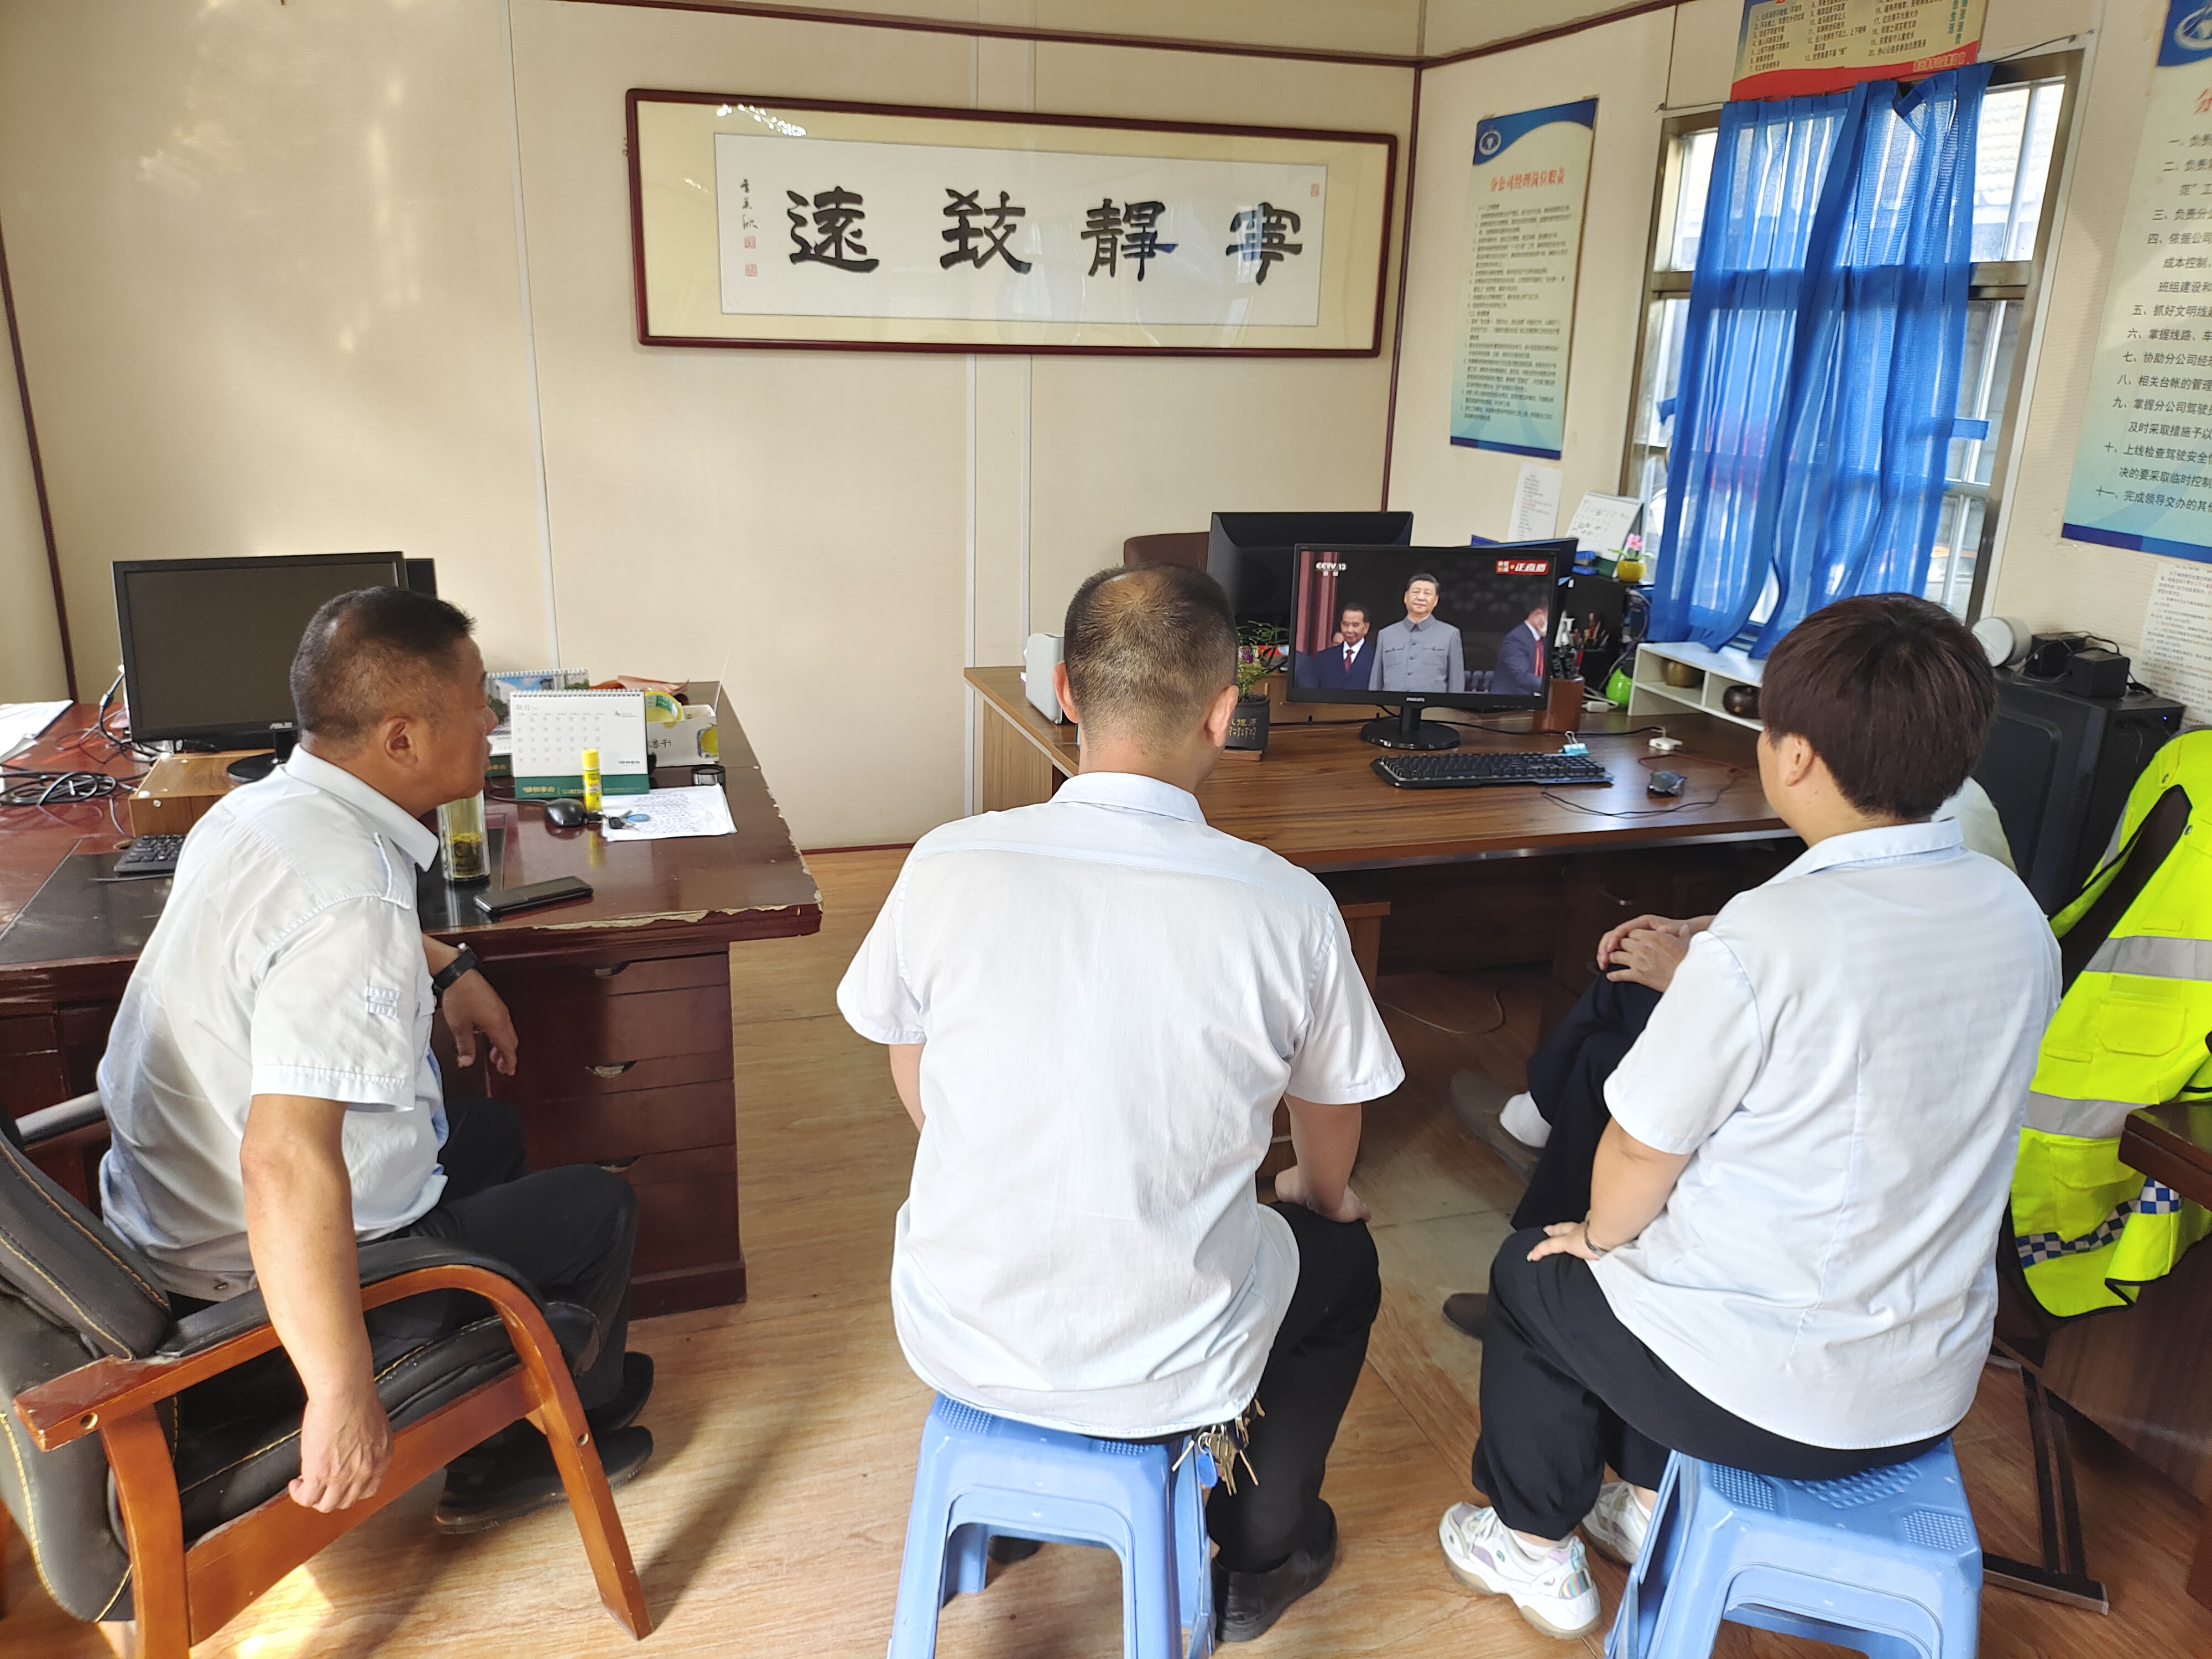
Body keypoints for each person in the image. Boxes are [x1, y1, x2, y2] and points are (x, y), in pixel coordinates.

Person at [1434, 594, 2057, 1639]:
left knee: (1538, 1275)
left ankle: (1530, 1545)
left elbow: (1640, 1148)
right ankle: (1644, 1504)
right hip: (1926, 1387)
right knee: (1659, 1263)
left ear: (1796, 756)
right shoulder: (2016, 918)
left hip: (1764, 1394)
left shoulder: (1771, 937)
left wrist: (1594, 1239)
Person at [838, 564, 1402, 1644]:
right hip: (1169, 1361)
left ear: (1062, 691)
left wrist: (998, 1157)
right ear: (1225, 715)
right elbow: (1332, 1114)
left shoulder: (947, 862)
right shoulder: (1287, 907)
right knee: (1341, 1262)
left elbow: (910, 1062)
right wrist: (1316, 1194)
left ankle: (1004, 1515)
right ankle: (1258, 1558)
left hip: (958, 1324)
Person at [97, 587, 654, 1534]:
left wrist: (448, 965)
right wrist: (341, 1391)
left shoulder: (264, 811)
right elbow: (283, 1159)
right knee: (600, 1209)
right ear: (402, 739)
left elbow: (294, 936)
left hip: (174, 1225)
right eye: (477, 703)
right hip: (254, 1286)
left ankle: (512, 1387)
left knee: (488, 1131)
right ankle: (542, 1442)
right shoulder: (353, 898)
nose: (491, 722)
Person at [1441, 775, 2023, 1338]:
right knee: (1604, 1049)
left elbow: (1841, 992)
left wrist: (1697, 971)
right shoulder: (1963, 861)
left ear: (1800, 757)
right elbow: (1825, 929)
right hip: (1889, 1120)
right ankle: (1541, 1264)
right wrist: (1697, 931)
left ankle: (1541, 1245)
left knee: (1612, 1044)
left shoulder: (1867, 834)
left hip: (1839, 1143)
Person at [1370, 573, 1463, 693]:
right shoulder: (1386, 634)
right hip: (1392, 705)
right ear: (1406, 597)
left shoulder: (1451, 634)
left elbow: (1456, 685)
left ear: (1436, 601)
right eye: (1416, 592)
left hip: (1434, 706)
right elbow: (1376, 683)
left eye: (1427, 594)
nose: (1421, 598)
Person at [1296, 602, 1376, 690]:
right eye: (1345, 625)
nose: (1349, 630)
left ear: (1366, 627)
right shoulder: (1323, 658)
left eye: (1355, 625)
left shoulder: (1376, 657)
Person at [1489, 601, 1550, 696]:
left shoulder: (1543, 640)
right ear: (1538, 614)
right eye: (1549, 618)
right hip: (1509, 700)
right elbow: (1522, 676)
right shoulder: (1516, 639)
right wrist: (1551, 685)